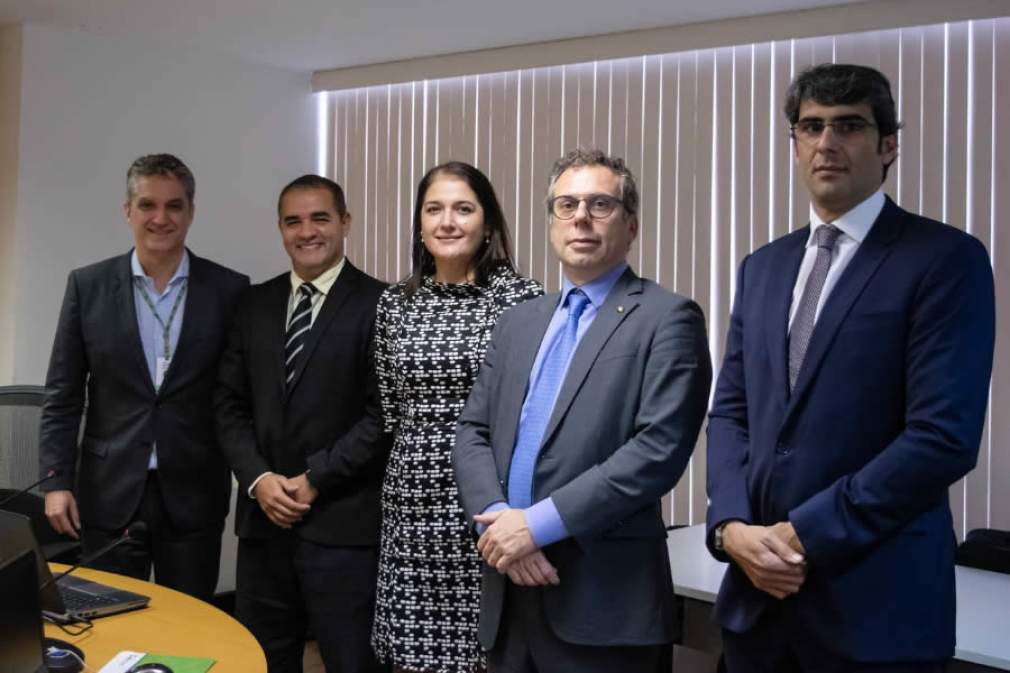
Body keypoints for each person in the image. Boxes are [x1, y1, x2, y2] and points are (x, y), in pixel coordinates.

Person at [705, 63, 995, 672]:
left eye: (849, 126)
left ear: (888, 145)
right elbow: (731, 412)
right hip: (759, 606)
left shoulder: (945, 259)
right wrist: (729, 526)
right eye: (811, 127)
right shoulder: (763, 267)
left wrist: (802, 533)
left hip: (875, 612)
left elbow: (942, 437)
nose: (827, 143)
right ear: (795, 144)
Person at [453, 148, 712, 672]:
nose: (581, 218)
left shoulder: (667, 319)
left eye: (600, 204)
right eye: (566, 205)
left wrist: (537, 526)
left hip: (603, 602)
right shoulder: (518, 322)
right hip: (508, 591)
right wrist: (499, 523)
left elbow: (656, 452)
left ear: (631, 224)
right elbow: (472, 431)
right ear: (551, 222)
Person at [38, 153, 249, 602]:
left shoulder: (229, 290)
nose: (161, 218)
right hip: (108, 491)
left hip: (194, 491)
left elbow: (237, 397)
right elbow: (63, 394)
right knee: (110, 621)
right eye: (148, 205)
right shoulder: (88, 286)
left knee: (191, 621)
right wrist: (56, 483)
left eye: (174, 206)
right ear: (128, 210)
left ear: (191, 212)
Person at [371, 162, 542, 673]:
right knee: (413, 654)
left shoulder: (520, 299)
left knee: (486, 653)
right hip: (410, 504)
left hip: (487, 502)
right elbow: (390, 408)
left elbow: (533, 410)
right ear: (420, 224)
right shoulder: (394, 303)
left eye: (463, 209)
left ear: (487, 224)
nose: (447, 221)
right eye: (434, 209)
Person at [215, 174, 390, 673]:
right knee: (263, 661)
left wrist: (316, 478)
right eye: (293, 221)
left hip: (344, 528)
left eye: (320, 218)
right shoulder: (253, 304)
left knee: (352, 662)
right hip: (264, 526)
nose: (306, 231)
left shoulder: (383, 304)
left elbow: (382, 416)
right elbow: (227, 403)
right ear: (280, 229)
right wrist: (258, 479)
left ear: (345, 222)